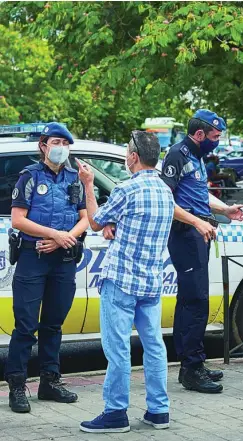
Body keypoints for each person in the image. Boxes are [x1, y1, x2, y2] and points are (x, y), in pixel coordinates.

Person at [78, 132, 175, 433]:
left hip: (121, 280)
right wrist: (115, 225)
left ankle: (116, 412)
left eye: (126, 152)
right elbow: (137, 226)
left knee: (118, 348)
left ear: (133, 157)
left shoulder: (126, 189)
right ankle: (159, 411)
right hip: (151, 281)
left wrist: (88, 185)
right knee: (154, 346)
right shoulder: (165, 192)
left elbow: (94, 221)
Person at [161, 109, 243, 394]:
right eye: (215, 136)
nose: (218, 141)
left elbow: (198, 194)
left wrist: (225, 210)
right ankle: (190, 369)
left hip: (199, 234)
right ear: (199, 134)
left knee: (197, 300)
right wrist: (197, 222)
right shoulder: (177, 155)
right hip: (185, 235)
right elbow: (166, 200)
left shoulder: (196, 157)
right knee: (193, 301)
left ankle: (196, 363)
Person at [5, 122, 89, 413]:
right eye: (56, 142)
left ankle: (49, 381)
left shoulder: (74, 178)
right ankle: (17, 386)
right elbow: (18, 219)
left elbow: (85, 218)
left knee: (53, 324)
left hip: (63, 258)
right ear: (43, 146)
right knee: (26, 325)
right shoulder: (29, 177)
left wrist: (63, 239)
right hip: (33, 257)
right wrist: (54, 235)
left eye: (66, 144)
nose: (61, 148)